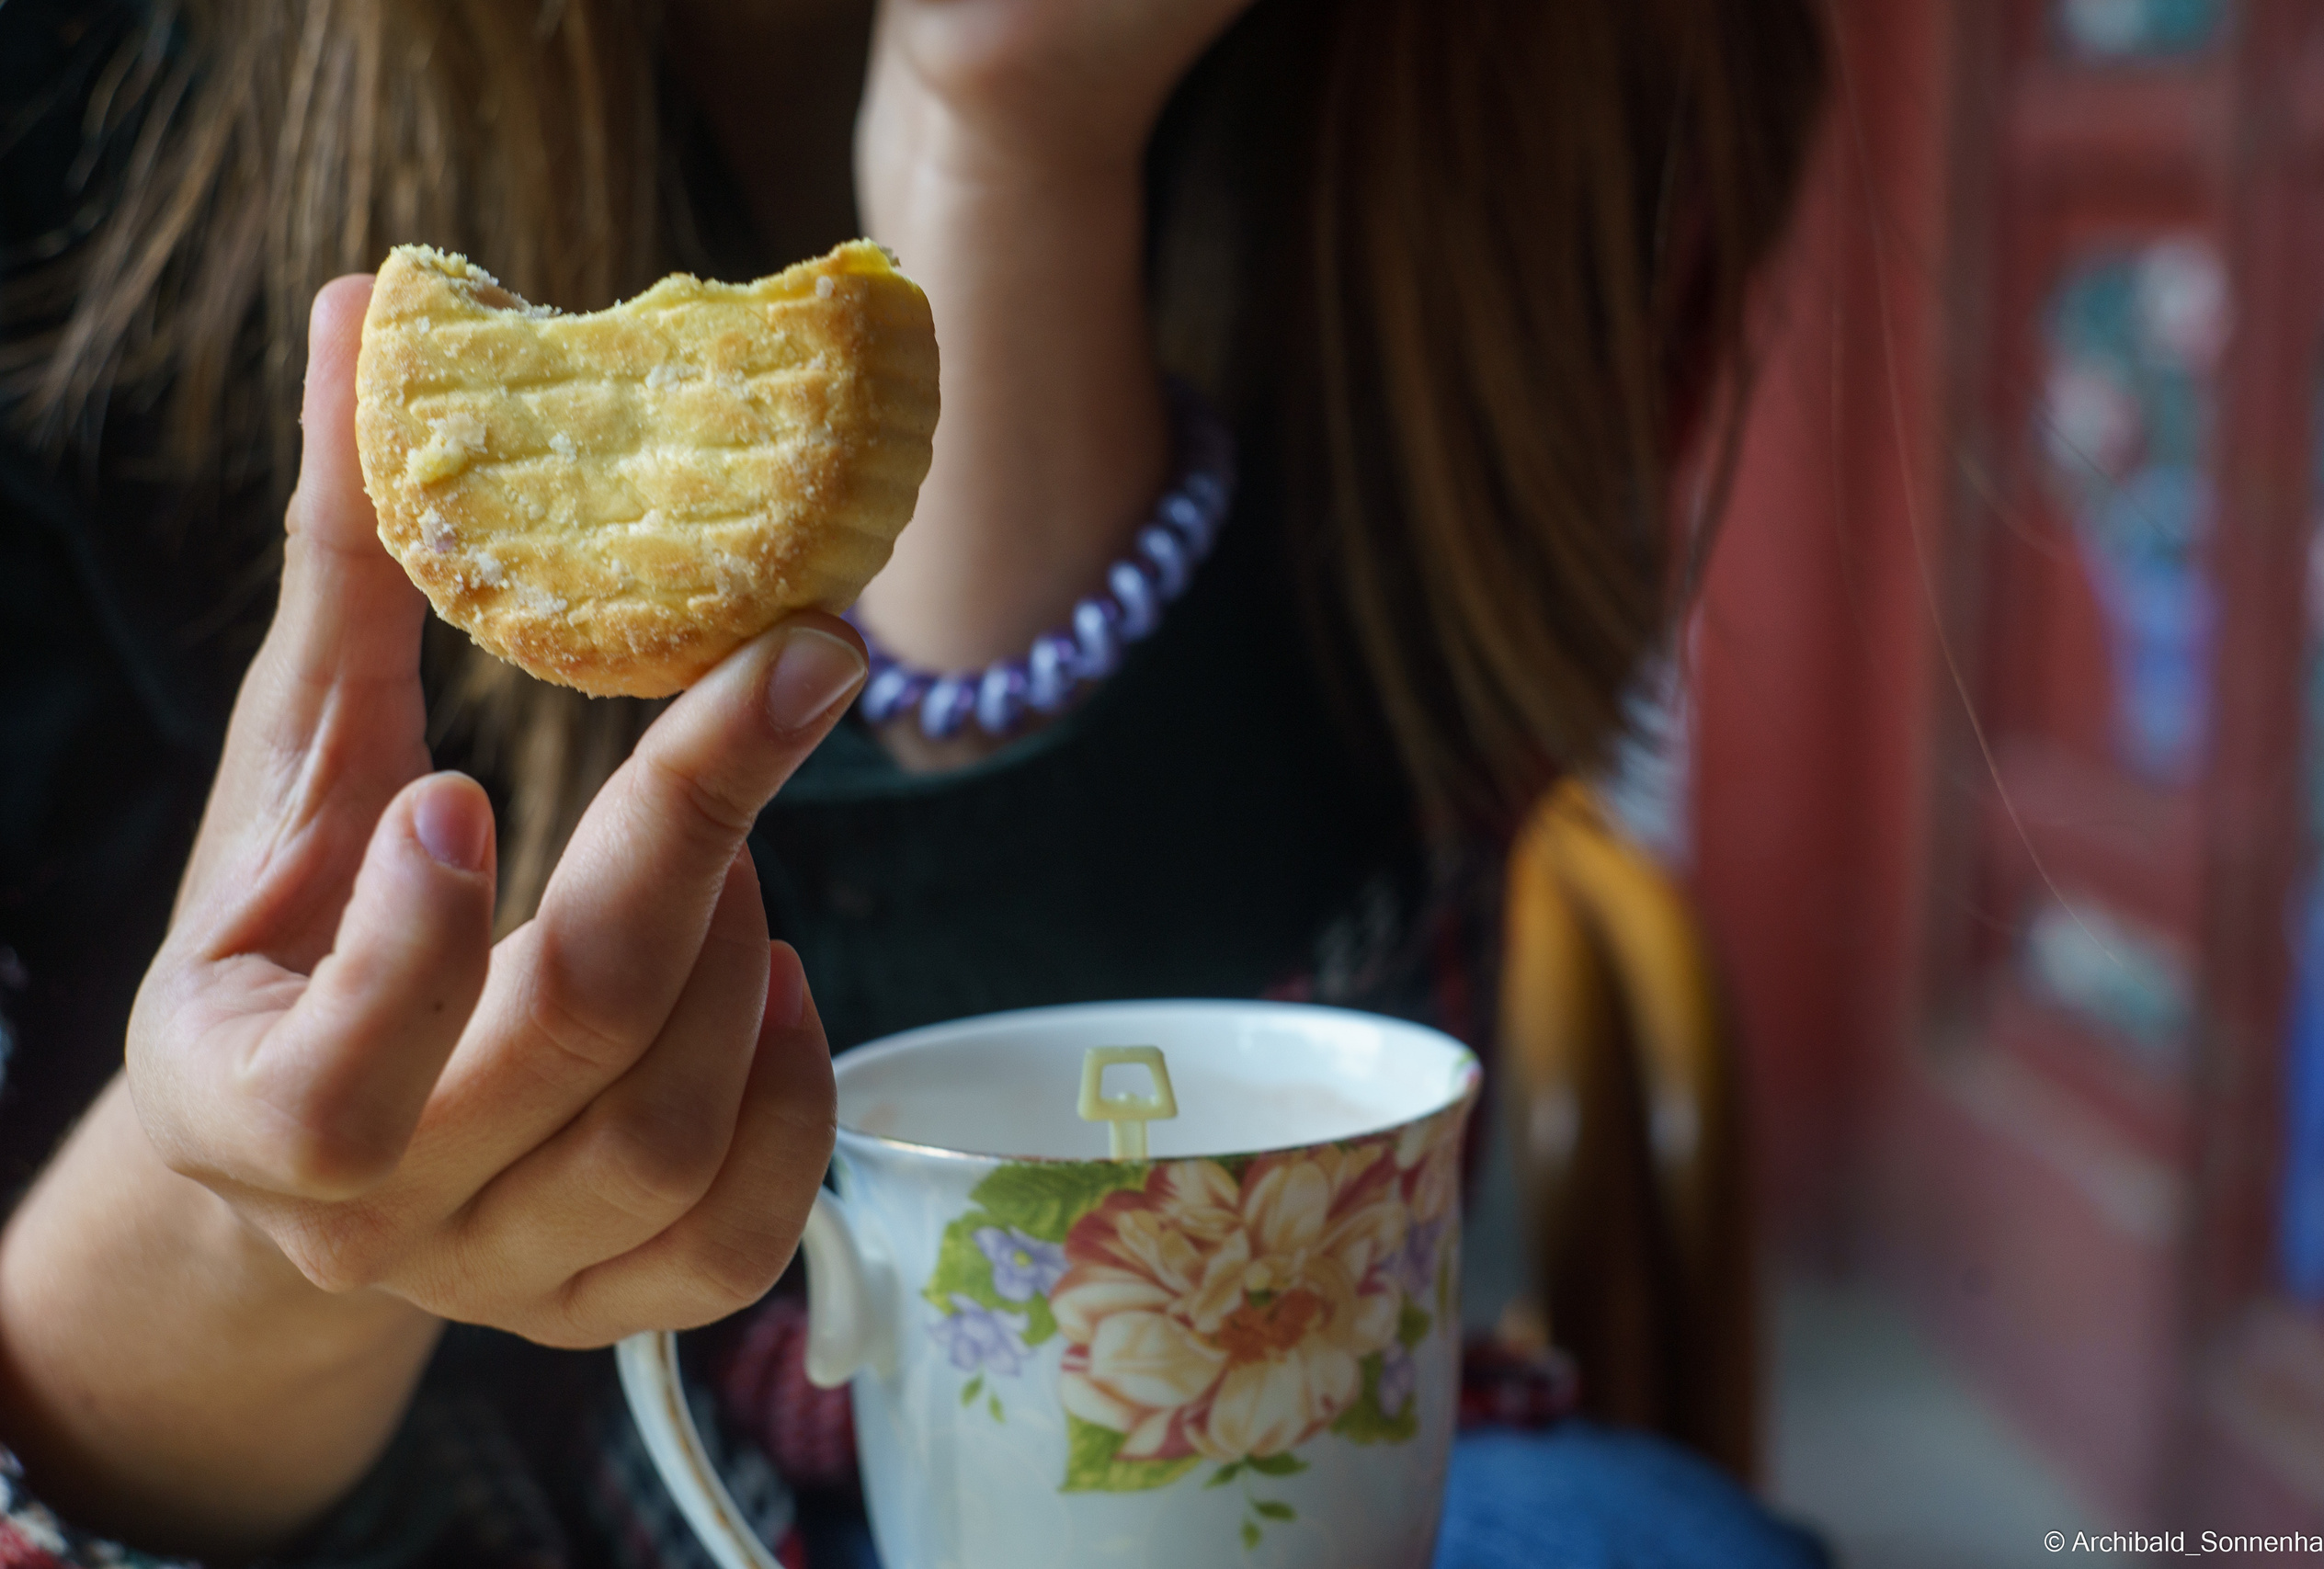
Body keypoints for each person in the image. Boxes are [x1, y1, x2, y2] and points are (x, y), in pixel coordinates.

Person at [0, 0, 1828, 1564]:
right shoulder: (81, 113)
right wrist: (257, 1219)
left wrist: (1005, 146)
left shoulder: (1527, 87)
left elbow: (1242, 1306)